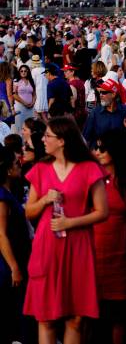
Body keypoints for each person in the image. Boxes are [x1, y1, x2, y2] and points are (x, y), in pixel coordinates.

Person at [23, 117, 109, 344]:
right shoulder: (41, 169)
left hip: (78, 247)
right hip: (47, 247)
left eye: (47, 136)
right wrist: (44, 201)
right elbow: (29, 212)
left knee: (76, 318)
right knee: (46, 317)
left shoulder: (89, 168)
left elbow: (102, 212)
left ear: (61, 140)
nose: (42, 140)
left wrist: (70, 223)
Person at [91, 128, 126, 344]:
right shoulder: (92, 178)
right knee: (95, 313)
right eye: (95, 147)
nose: (97, 152)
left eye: (102, 148)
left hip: (123, 252)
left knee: (120, 315)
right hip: (96, 253)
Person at [0, 144, 31, 344]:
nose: (19, 165)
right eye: (15, 163)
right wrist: (14, 267)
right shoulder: (2, 197)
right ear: (8, 170)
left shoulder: (8, 193)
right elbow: (1, 234)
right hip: (7, 268)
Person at [82, 78, 126, 147]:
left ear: (113, 94)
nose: (101, 95)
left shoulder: (125, 111)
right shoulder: (95, 113)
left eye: (104, 93)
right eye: (100, 92)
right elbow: (85, 138)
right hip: (100, 154)